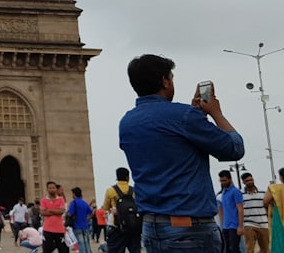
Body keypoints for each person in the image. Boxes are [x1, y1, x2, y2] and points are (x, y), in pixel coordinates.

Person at [119, 55, 244, 252]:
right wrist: (215, 113)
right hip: (190, 228)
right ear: (165, 81)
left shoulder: (127, 122)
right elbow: (234, 149)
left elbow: (166, 149)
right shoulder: (184, 116)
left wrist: (197, 119)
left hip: (151, 227)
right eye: (172, 77)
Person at [101, 168, 140, 253]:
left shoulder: (110, 190)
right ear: (128, 177)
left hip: (117, 226)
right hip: (133, 226)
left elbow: (105, 207)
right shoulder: (134, 191)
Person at [241, 172, 269, 253]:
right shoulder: (240, 194)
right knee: (250, 248)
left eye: (251, 180)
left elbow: (267, 207)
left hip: (263, 223)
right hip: (248, 224)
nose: (250, 182)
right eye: (247, 181)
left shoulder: (263, 192)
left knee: (265, 248)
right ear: (243, 182)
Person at [218, 170, 244, 253]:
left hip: (234, 225)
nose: (223, 183)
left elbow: (240, 209)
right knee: (227, 249)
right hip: (226, 226)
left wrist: (240, 226)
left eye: (224, 180)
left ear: (230, 179)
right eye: (221, 181)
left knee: (234, 248)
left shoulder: (235, 192)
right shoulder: (224, 193)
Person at [39, 182, 69, 253]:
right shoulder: (44, 200)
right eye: (50, 188)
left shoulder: (61, 199)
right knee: (47, 250)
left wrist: (49, 210)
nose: (52, 189)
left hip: (59, 229)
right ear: (47, 189)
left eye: (53, 188)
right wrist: (56, 211)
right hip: (47, 229)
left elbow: (61, 211)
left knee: (63, 250)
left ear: (56, 189)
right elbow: (42, 212)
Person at [69, 187, 93, 253]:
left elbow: (70, 214)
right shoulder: (84, 203)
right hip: (85, 226)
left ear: (74, 194)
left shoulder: (73, 203)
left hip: (77, 226)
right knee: (86, 243)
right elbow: (92, 212)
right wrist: (87, 219)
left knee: (80, 243)